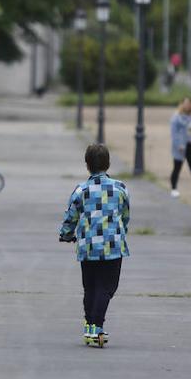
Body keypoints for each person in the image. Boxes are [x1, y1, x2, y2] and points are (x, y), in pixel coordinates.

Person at [58, 143, 130, 348]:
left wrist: (66, 235)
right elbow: (125, 216)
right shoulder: (120, 188)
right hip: (113, 247)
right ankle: (97, 325)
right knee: (107, 287)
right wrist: (120, 231)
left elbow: (71, 216)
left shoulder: (81, 190)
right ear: (108, 163)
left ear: (87, 165)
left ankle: (90, 322)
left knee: (89, 287)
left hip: (88, 247)